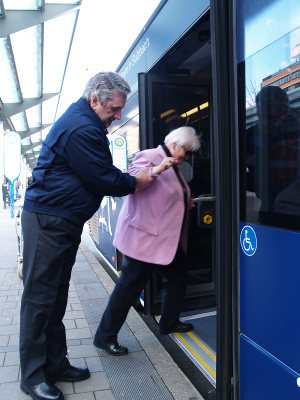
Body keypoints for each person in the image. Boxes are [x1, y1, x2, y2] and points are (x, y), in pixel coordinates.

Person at [19, 72, 154, 400]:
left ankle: (55, 364)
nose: (119, 115)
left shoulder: (85, 121)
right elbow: (102, 178)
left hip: (60, 221)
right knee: (40, 299)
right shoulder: (82, 128)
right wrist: (136, 182)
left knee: (55, 297)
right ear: (95, 100)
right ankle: (32, 375)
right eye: (115, 109)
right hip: (49, 221)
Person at [93, 126, 201, 356]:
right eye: (187, 151)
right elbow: (132, 182)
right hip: (145, 239)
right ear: (175, 145)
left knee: (177, 278)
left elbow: (171, 194)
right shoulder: (150, 156)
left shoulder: (176, 165)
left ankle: (169, 323)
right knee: (129, 287)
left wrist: (186, 202)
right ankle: (105, 336)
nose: (188, 157)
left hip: (168, 239)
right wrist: (156, 170)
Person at [246, 86, 300, 226]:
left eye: (270, 118)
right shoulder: (250, 135)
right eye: (260, 116)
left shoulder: (297, 132)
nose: (263, 122)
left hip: (294, 212)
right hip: (267, 211)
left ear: (285, 113)